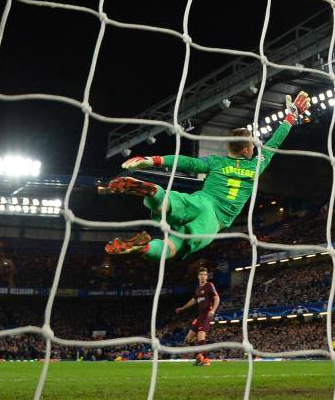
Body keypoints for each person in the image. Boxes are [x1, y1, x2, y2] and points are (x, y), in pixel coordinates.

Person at [103, 92, 311, 260]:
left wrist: (153, 160)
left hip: (202, 200)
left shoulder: (216, 163)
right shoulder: (257, 165)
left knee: (167, 203)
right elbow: (274, 143)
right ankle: (143, 249)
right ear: (248, 151)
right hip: (215, 219)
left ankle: (154, 192)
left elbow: (187, 162)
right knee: (175, 246)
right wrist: (290, 117)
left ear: (230, 147)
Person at [175, 268, 219, 366]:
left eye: (205, 274)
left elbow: (217, 298)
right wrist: (182, 308)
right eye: (201, 274)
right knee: (188, 339)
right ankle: (199, 356)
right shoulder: (198, 289)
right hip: (200, 316)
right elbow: (193, 300)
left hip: (207, 315)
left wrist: (213, 310)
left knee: (200, 337)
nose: (203, 276)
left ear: (207, 276)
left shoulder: (209, 285)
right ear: (198, 276)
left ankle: (206, 359)